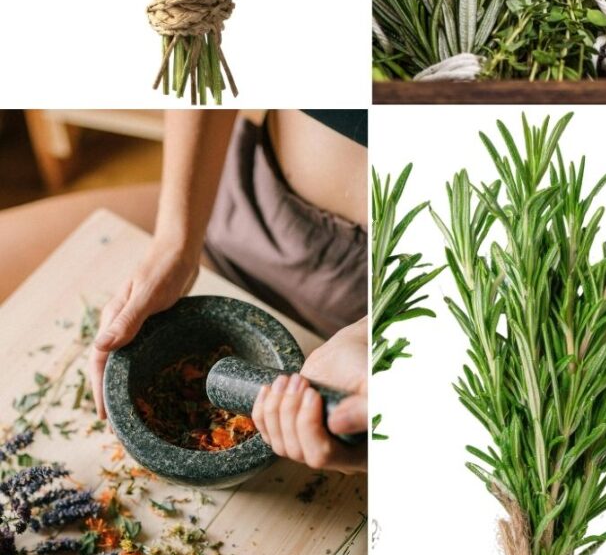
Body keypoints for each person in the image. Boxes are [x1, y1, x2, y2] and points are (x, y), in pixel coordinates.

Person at [1, 111, 368, 474]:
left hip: (366, 304)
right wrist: (174, 244)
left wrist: (372, 334)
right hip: (233, 204)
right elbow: (203, 59)